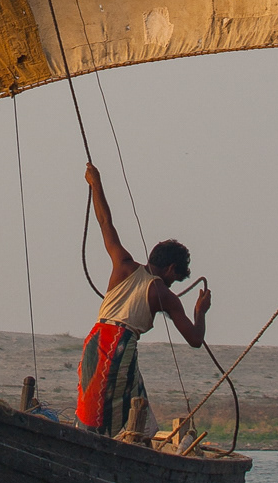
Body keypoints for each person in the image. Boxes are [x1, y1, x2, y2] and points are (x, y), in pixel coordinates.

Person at [76, 162, 211, 436]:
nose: (173, 283)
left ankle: (140, 442)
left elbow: (105, 223)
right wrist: (200, 311)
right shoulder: (163, 294)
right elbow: (195, 340)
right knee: (106, 423)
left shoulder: (122, 264)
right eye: (176, 277)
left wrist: (95, 183)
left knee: (129, 405)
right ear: (171, 269)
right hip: (117, 347)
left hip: (95, 339)